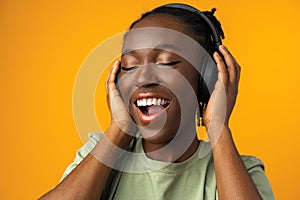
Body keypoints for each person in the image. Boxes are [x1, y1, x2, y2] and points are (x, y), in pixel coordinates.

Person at [39, 3, 274, 200]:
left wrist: (217, 126)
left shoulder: (241, 172)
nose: (143, 79)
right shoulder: (99, 154)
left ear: (207, 79)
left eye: (167, 62)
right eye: (130, 66)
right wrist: (119, 130)